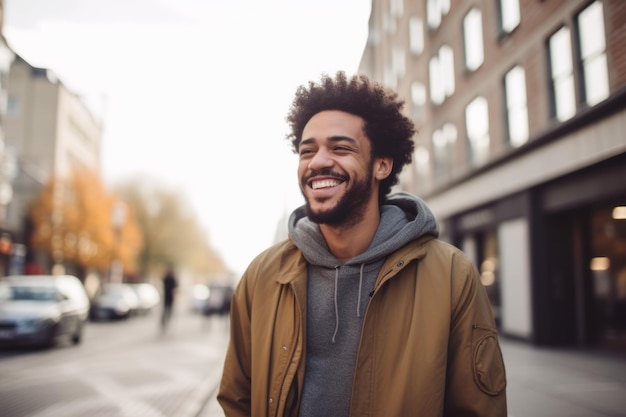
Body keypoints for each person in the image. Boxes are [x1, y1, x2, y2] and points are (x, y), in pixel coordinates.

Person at [218, 72, 507, 416]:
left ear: (381, 165)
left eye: (340, 148)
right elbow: (237, 398)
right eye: (307, 151)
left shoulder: (451, 276)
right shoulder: (262, 276)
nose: (318, 161)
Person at [160, 266, 178, 331]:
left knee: (167, 311)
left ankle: (165, 322)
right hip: (168, 297)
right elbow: (175, 288)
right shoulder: (170, 279)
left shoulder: (168, 278)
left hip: (168, 297)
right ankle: (165, 322)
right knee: (167, 311)